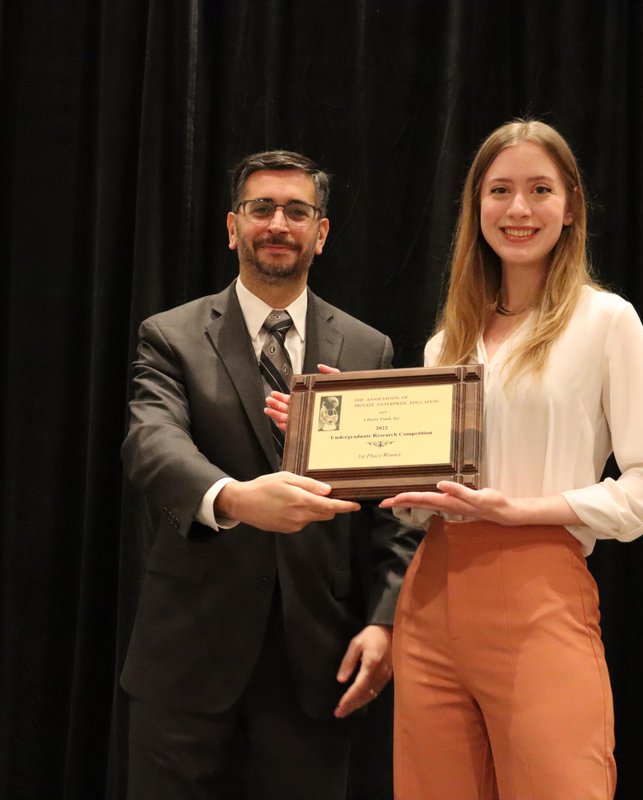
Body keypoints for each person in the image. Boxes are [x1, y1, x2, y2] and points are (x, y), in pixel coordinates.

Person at [381, 120, 643, 799]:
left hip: (539, 591)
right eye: (499, 190)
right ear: (476, 206)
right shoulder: (446, 343)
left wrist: (524, 511)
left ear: (571, 206)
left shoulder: (606, 321)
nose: (518, 208)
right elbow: (424, 491)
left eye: (540, 189)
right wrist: (346, 444)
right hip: (430, 597)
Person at [119, 149, 420, 800]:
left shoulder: (369, 349)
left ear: (321, 232)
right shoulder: (170, 335)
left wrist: (386, 620)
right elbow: (152, 442)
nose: (278, 224)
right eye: (261, 208)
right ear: (233, 227)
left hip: (316, 661)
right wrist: (233, 499)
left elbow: (395, 508)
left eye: (297, 211)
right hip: (188, 655)